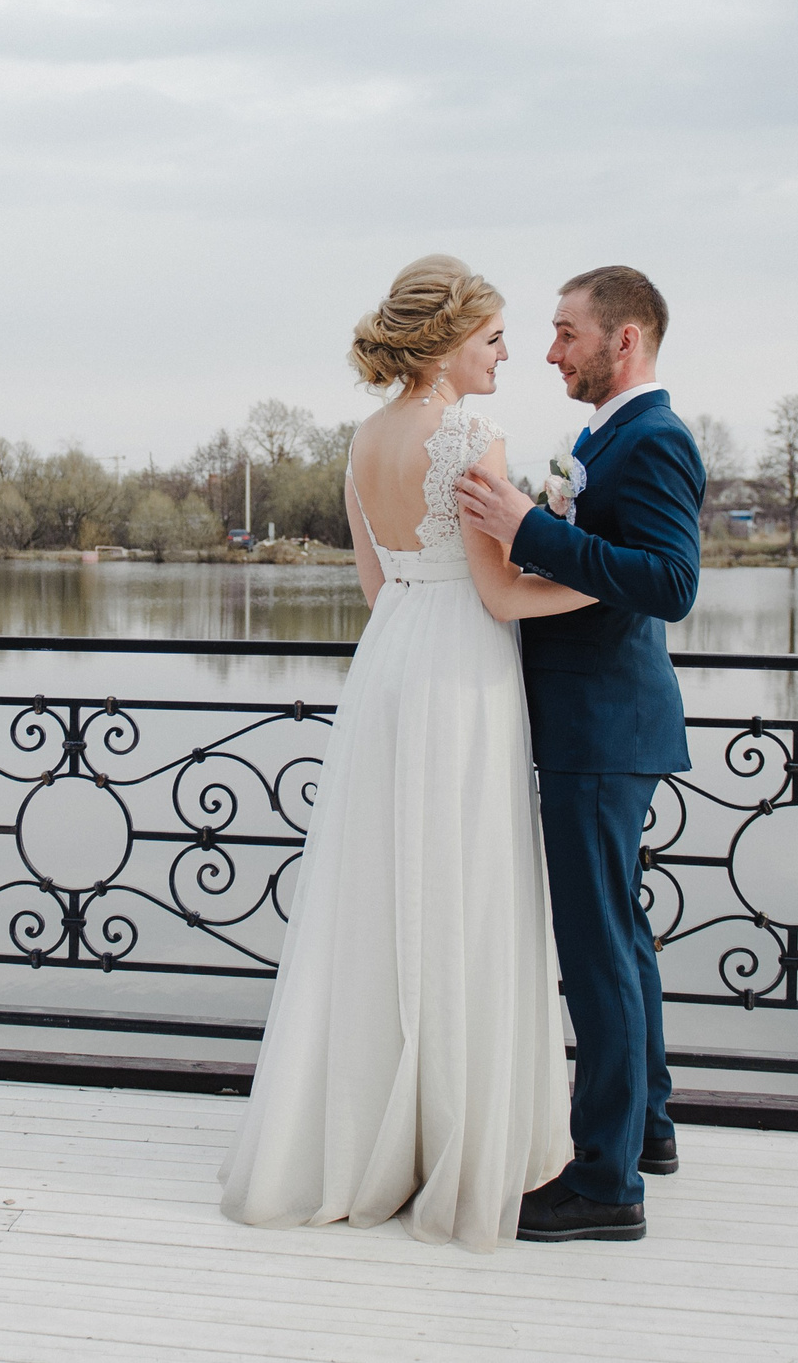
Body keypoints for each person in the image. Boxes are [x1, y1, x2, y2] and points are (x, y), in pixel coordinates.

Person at [218, 255, 596, 1253]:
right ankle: (456, 1140)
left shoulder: (365, 438)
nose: (506, 353)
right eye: (492, 338)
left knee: (382, 890)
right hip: (463, 673)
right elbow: (506, 594)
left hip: (388, 664)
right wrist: (614, 583)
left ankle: (360, 1133)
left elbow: (378, 586)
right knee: (461, 889)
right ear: (442, 341)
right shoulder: (469, 433)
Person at [454, 264, 703, 1244]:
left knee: (596, 951)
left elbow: (669, 581)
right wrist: (544, 523)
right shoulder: (607, 436)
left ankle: (604, 1180)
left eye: (565, 332)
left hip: (601, 726)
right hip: (597, 724)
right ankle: (647, 1127)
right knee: (620, 940)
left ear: (623, 340)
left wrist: (528, 531)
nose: (549, 349)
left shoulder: (655, 437)